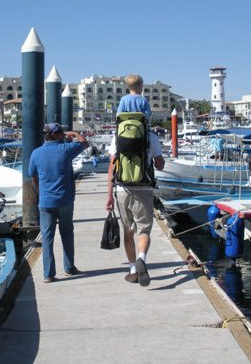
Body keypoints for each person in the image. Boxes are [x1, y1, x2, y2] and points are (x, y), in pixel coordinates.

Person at [106, 74, 165, 287]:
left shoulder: (117, 136)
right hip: (143, 187)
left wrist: (108, 195)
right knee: (144, 229)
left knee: (128, 230)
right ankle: (142, 259)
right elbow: (159, 165)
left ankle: (132, 269)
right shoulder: (151, 136)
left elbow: (112, 165)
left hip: (122, 188)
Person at [29, 123, 89, 283]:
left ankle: (48, 274)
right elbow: (85, 143)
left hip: (46, 201)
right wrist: (74, 133)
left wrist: (40, 193)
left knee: (47, 238)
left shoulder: (36, 153)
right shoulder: (65, 150)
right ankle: (69, 267)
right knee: (67, 234)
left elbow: (33, 178)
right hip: (65, 200)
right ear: (54, 134)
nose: (63, 134)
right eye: (61, 132)